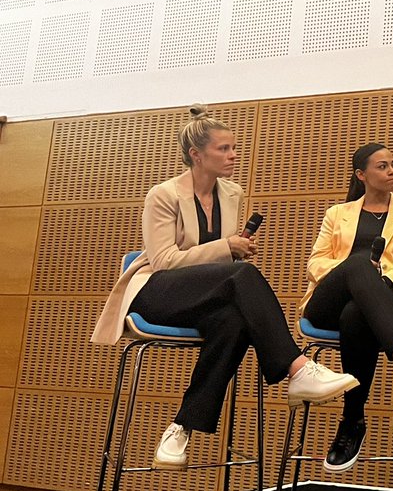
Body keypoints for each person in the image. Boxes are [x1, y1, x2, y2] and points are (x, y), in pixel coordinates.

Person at [92, 105, 359, 469]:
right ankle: (297, 368)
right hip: (157, 293)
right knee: (243, 277)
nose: (233, 155)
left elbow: (222, 265)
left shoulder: (231, 193)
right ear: (196, 155)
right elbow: (163, 261)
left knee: (234, 321)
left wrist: (234, 253)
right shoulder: (163, 195)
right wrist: (227, 248)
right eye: (223, 149)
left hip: (206, 294)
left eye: (233, 148)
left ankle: (181, 427)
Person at [300, 143, 393, 472]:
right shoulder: (338, 214)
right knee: (358, 266)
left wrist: (379, 283)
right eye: (383, 167)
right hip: (327, 303)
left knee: (357, 314)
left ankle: (352, 421)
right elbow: (316, 262)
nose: (392, 171)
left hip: (386, 298)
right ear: (361, 175)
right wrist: (356, 273)